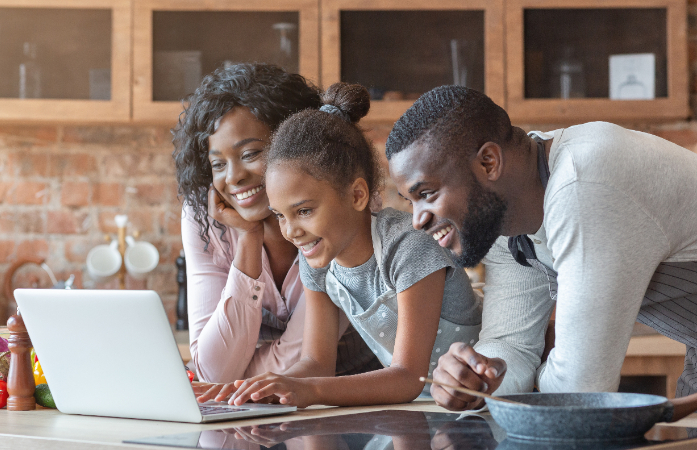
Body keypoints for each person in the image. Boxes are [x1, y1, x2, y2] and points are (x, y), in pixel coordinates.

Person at [385, 85, 697, 410]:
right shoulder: (509, 215)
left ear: (489, 162)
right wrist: (479, 378)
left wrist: (529, 380)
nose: (417, 221)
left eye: (427, 193)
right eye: (410, 201)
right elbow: (512, 346)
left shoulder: (583, 187)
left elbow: (580, 389)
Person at [195, 83, 482, 407]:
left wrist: (310, 391)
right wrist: (248, 391)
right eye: (280, 215)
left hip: (483, 402)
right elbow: (317, 364)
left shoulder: (408, 248)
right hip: (426, 409)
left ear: (357, 195)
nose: (290, 231)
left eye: (304, 211)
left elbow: (407, 377)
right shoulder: (318, 260)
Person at [173, 64, 379, 383]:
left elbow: (300, 361)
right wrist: (249, 239)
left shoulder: (339, 210)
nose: (234, 176)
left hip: (355, 400)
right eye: (217, 163)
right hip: (268, 406)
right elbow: (211, 370)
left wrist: (233, 373)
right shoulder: (206, 216)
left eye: (251, 153)